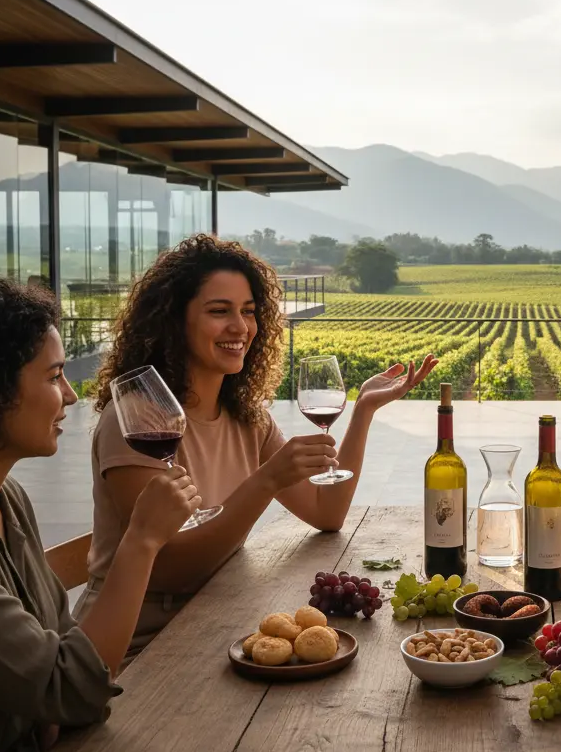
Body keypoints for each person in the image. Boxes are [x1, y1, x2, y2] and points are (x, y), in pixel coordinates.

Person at [76, 235, 436, 659]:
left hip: (215, 625)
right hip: (135, 648)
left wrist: (363, 412)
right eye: (219, 311)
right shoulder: (138, 422)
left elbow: (327, 512)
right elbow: (169, 570)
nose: (241, 327)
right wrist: (265, 482)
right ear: (175, 321)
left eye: (248, 312)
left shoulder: (246, 417)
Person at [0, 278, 199, 752]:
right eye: (55, 377)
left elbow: (68, 650)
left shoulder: (7, 499)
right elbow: (76, 683)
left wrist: (60, 700)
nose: (72, 396)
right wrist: (142, 539)